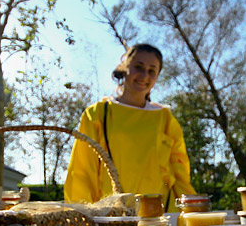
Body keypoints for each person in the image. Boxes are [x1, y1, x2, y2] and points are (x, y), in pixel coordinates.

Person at [64, 43, 195, 212]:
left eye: (151, 71)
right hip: (111, 218)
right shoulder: (98, 114)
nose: (144, 76)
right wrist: (82, 215)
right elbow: (81, 172)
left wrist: (191, 211)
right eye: (138, 67)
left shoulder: (165, 118)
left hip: (159, 219)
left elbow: (180, 174)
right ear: (125, 67)